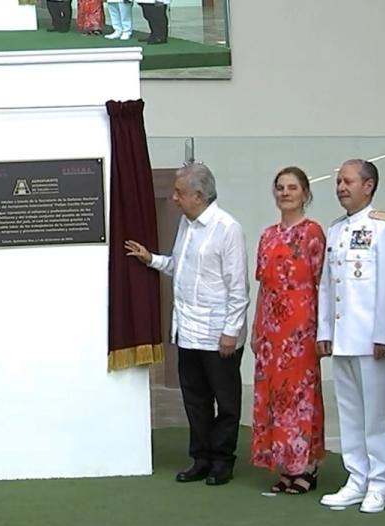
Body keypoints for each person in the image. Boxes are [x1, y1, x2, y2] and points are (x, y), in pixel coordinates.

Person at [125, 163, 249, 486]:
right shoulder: (186, 225)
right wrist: (150, 259)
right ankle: (201, 457)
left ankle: (223, 459)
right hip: (188, 330)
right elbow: (179, 267)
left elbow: (238, 287)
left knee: (226, 399)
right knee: (194, 398)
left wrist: (231, 332)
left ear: (199, 195)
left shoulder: (227, 228)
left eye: (180, 192)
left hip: (218, 333)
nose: (174, 197)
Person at [316, 160, 385, 514]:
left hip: (373, 341)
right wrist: (325, 331)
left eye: (348, 181)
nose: (340, 187)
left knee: (377, 416)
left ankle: (379, 483)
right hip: (344, 338)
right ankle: (356, 478)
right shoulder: (336, 229)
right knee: (350, 413)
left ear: (368, 186)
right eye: (338, 181)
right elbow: (328, 286)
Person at [250, 167, 326, 494]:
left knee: (301, 395)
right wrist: (256, 327)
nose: (285, 193)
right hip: (271, 328)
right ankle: (284, 464)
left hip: (301, 325)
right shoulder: (267, 235)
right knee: (275, 396)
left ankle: (307, 465)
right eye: (280, 188)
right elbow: (263, 287)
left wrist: (322, 329)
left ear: (305, 193)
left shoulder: (313, 233)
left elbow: (322, 283)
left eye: (292, 188)